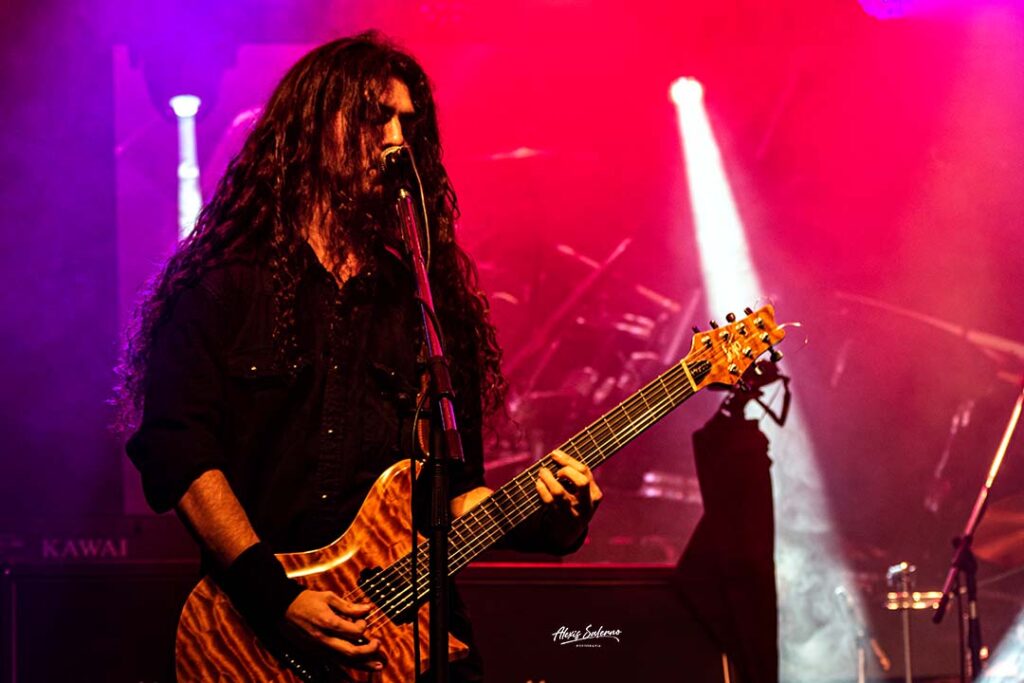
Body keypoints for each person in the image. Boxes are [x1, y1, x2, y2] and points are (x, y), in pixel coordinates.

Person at [116, 32, 601, 680]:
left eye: (407, 122)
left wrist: (549, 518)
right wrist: (277, 598)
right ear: (315, 130)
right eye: (376, 118)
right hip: (252, 637)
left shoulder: (427, 305)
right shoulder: (223, 287)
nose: (397, 139)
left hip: (410, 644)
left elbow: (454, 496)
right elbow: (179, 452)